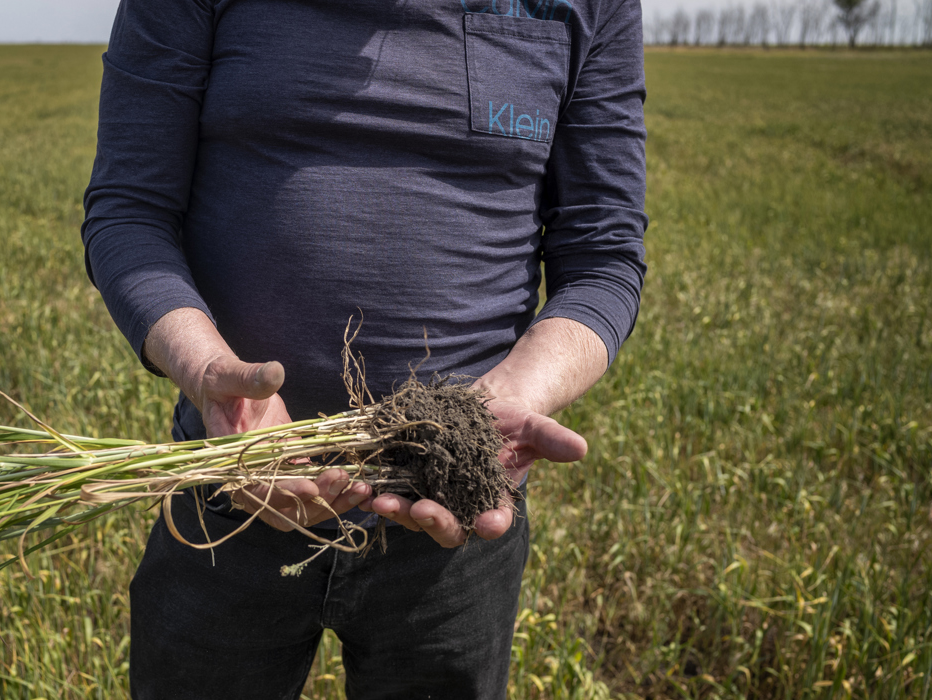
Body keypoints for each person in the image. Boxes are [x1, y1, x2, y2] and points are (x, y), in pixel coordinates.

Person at [81, 0, 647, 696]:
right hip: (234, 479)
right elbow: (129, 209)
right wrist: (204, 368)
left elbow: (604, 256)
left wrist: (521, 391)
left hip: (452, 510)